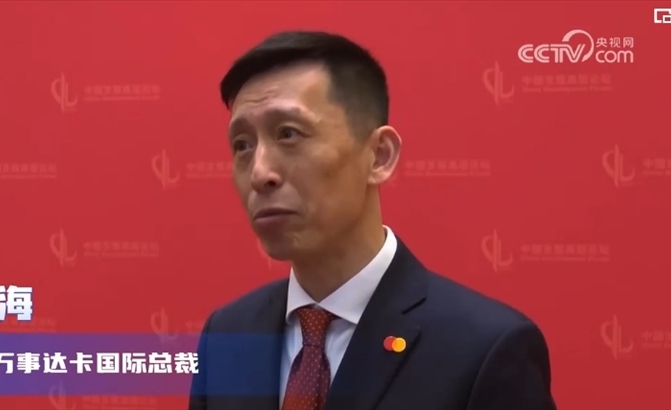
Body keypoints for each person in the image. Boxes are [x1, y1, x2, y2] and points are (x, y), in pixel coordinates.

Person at [188, 31, 556, 410]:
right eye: (242, 145)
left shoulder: (484, 350)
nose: (259, 173)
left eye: (288, 134)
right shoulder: (227, 335)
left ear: (379, 155)